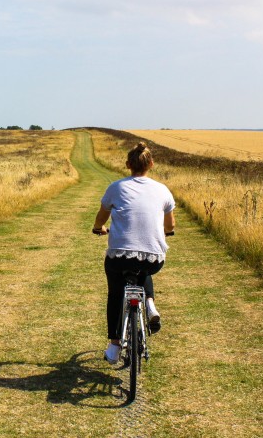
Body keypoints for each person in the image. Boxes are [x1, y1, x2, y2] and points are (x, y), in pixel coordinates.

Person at [92, 142, 176, 364]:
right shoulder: (163, 190)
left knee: (115, 293)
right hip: (153, 258)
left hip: (119, 256)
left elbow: (101, 218)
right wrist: (167, 232)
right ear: (151, 164)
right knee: (144, 265)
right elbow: (170, 226)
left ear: (128, 164)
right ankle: (149, 303)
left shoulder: (116, 187)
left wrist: (99, 227)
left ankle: (114, 346)